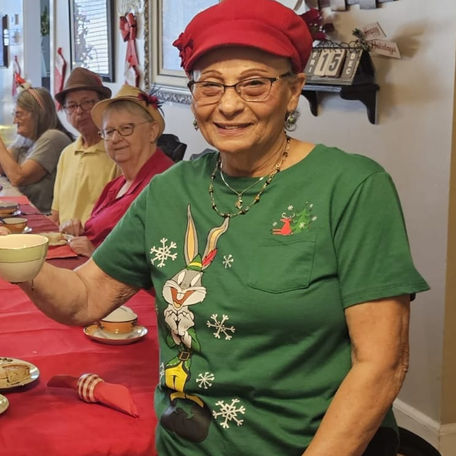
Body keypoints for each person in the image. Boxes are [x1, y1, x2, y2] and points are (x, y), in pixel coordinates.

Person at [3, 1, 429, 455]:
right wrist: (19, 258)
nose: (228, 104)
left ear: (293, 91)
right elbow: (85, 298)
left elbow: (381, 363)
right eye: (210, 85)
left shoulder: (352, 187)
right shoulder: (169, 190)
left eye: (254, 84)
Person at [60, 84, 174, 257]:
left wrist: (96, 254)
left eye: (126, 129)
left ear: (152, 131)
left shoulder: (163, 184)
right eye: (109, 131)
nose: (115, 138)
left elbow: (160, 257)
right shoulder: (116, 185)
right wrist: (77, 232)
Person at [50, 67, 120, 227]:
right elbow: (56, 215)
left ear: (102, 106)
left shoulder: (116, 153)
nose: (79, 111)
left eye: (87, 103)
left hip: (95, 240)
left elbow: (118, 217)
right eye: (72, 106)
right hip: (64, 238)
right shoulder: (67, 154)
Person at [0, 87, 73, 213]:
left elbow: (18, 177)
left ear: (37, 114)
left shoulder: (53, 138)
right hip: (24, 212)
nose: (14, 121)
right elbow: (3, 167)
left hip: (44, 215)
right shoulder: (25, 138)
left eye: (19, 114)